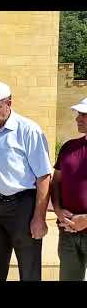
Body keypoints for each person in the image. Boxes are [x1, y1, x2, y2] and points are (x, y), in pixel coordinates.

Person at [0, 81, 51, 281]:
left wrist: (39, 217)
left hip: (21, 206)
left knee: (29, 267)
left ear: (8, 103)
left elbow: (44, 176)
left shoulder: (29, 130)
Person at [51, 97, 87, 281]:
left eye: (84, 115)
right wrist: (57, 209)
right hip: (67, 229)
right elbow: (56, 181)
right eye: (79, 114)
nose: (78, 119)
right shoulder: (69, 147)